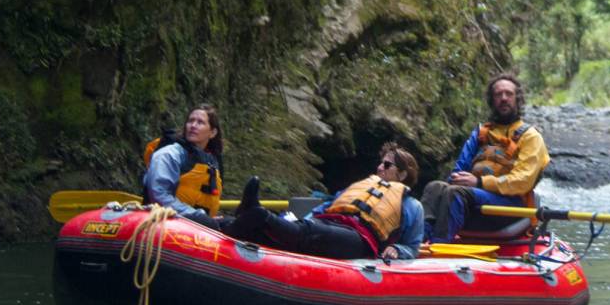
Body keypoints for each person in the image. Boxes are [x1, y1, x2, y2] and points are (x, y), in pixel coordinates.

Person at [227, 142, 426, 260]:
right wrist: (293, 221)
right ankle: (231, 222)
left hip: (360, 240)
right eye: (381, 162)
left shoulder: (412, 206)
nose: (380, 167)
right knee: (308, 227)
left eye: (387, 164)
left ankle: (258, 214)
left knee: (312, 232)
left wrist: (398, 250)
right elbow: (323, 208)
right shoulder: (362, 187)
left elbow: (412, 247)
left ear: (401, 174)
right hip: (330, 222)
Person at [421, 73, 549, 242]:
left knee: (456, 192)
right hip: (474, 205)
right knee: (435, 187)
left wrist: (480, 183)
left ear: (517, 100)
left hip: (510, 208)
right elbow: (459, 169)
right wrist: (458, 179)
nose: (503, 98)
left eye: (509, 94)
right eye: (498, 94)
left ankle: (440, 245)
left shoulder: (531, 137)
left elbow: (522, 182)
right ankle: (420, 241)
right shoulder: (481, 133)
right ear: (491, 101)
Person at [142, 104, 226, 228]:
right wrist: (197, 215)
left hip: (199, 222)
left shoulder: (212, 161)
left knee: (237, 222)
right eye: (190, 121)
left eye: (200, 122)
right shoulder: (169, 154)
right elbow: (159, 194)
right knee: (209, 223)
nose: (193, 125)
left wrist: (207, 218)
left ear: (212, 132)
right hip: (167, 219)